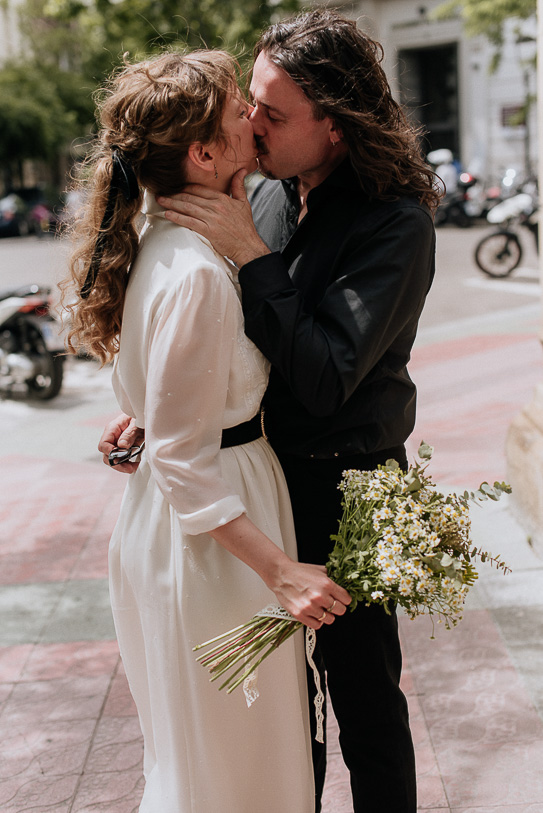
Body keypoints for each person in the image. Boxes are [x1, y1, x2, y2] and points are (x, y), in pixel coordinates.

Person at [100, 10, 441, 813]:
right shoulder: (265, 191)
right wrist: (168, 415)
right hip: (260, 487)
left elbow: (324, 378)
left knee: (364, 706)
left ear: (335, 126)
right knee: (285, 715)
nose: (251, 122)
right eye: (250, 101)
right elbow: (231, 350)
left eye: (273, 113)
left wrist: (254, 258)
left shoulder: (395, 223)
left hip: (352, 489)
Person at [61, 49, 351, 813]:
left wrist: (152, 415)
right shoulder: (193, 269)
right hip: (218, 543)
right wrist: (282, 571)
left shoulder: (159, 239)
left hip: (185, 524)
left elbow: (176, 399)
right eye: (237, 115)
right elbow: (189, 463)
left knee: (206, 761)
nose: (254, 125)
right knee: (237, 773)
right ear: (202, 153)